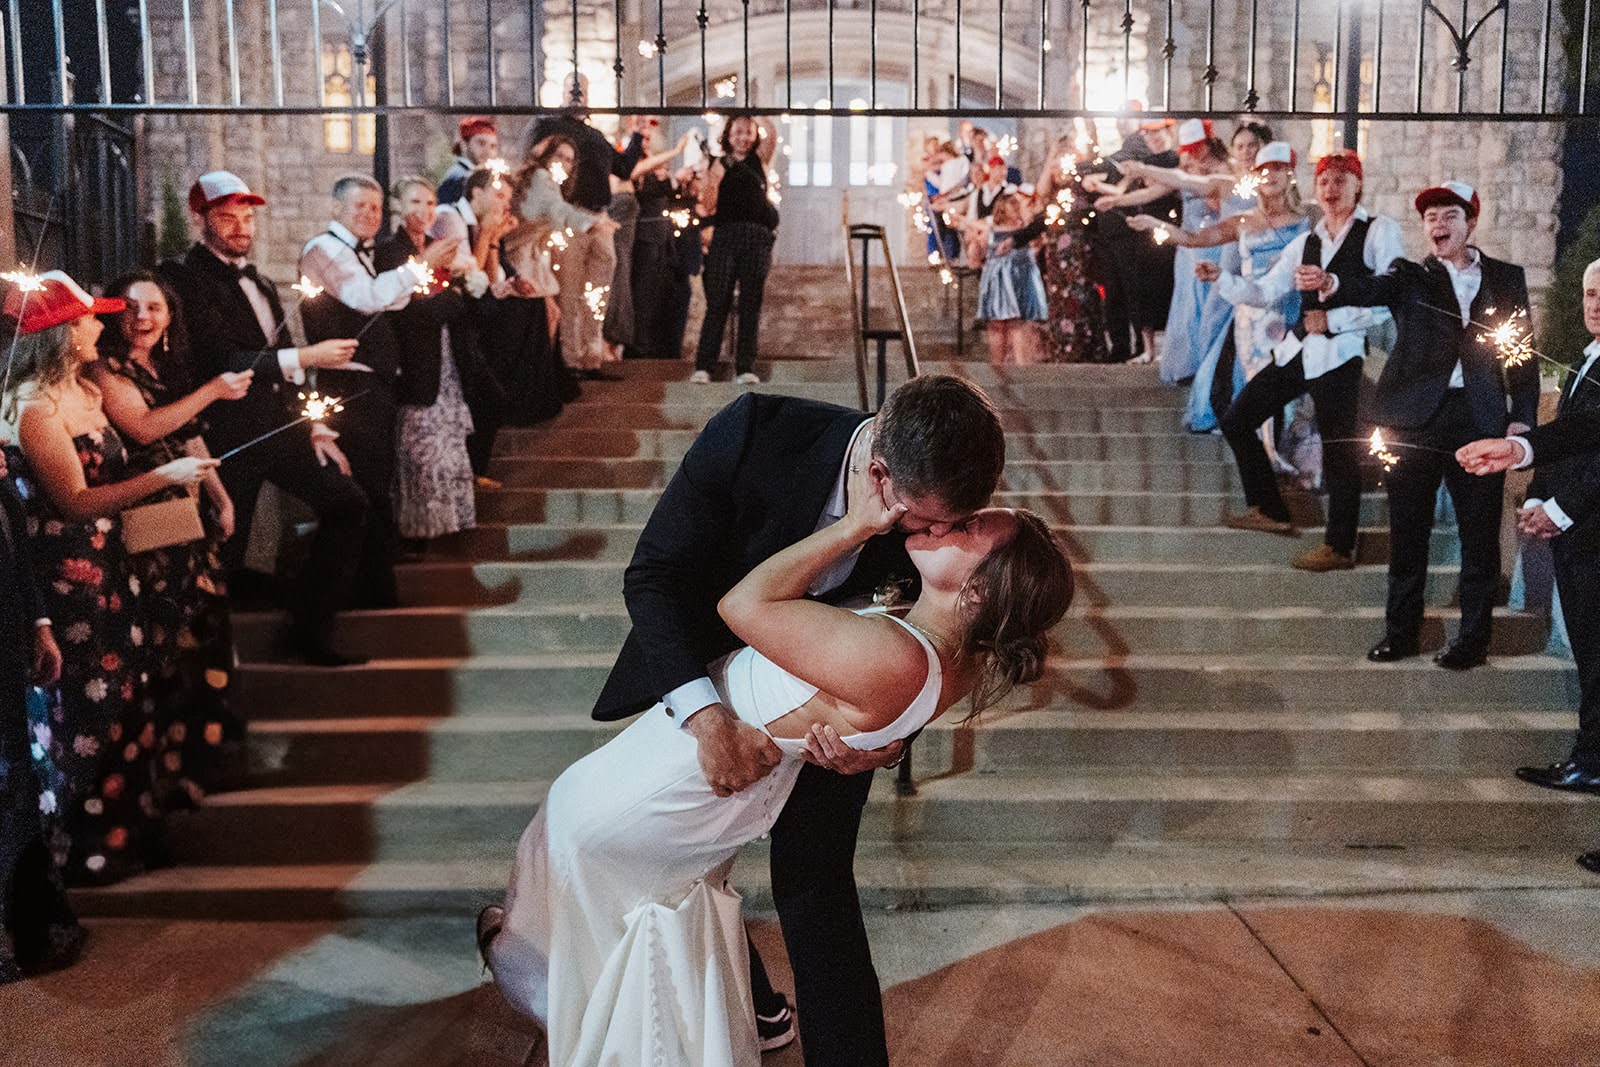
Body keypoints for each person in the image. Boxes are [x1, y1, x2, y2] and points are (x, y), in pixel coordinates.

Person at [480, 379, 1053, 1067]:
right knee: (674, 861)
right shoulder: (756, 433)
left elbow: (944, 642)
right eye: (921, 521)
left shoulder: (940, 505)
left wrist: (881, 741)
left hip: (831, 713)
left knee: (815, 885)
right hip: (709, 677)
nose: (931, 534)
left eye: (955, 521)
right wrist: (703, 714)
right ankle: (753, 1005)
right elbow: (654, 574)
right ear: (881, 475)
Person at [2, 272, 217, 885]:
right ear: (61, 334)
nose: (102, 325)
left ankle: (133, 829)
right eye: (90, 318)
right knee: (89, 709)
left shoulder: (84, 391)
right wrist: (163, 476)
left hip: (113, 564)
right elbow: (73, 500)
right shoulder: (31, 406)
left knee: (129, 696)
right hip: (68, 577)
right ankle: (91, 848)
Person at [1314, 180, 1538, 666]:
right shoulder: (1409, 275)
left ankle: (1472, 642)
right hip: (1413, 420)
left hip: (1478, 417)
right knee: (1408, 532)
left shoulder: (1506, 278)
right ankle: (1402, 634)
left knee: (1479, 536)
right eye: (1431, 217)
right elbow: (1371, 288)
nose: (1438, 224)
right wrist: (1332, 284)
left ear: (1470, 222)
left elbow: (1522, 358)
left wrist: (1521, 418)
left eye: (1449, 215)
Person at [158, 170, 368, 666]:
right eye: (227, 217)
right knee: (223, 547)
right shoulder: (184, 280)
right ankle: (209, 671)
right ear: (201, 219)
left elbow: (284, 355)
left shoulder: (261, 281)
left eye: (247, 217)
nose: (240, 227)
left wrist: (314, 424)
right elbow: (221, 360)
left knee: (348, 504)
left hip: (280, 427)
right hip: (224, 435)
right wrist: (312, 355)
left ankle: (310, 626)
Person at [1196, 151, 1402, 573]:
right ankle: (1270, 508)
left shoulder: (1378, 232)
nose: (1330, 189)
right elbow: (1265, 290)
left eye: (1340, 181)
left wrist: (1336, 316)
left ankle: (1340, 545)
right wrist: (1222, 279)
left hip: (1339, 353)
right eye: (1324, 182)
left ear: (1357, 186)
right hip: (1298, 348)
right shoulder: (1306, 241)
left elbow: (1390, 293)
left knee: (1339, 449)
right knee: (1238, 418)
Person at [1455, 259, 1600, 835]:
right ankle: (1590, 760)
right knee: (1591, 657)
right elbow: (1571, 433)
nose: (1594, 303)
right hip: (1574, 525)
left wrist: (1561, 507)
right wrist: (1537, 494)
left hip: (1591, 526)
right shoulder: (1587, 359)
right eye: (1590, 292)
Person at [91, 271, 249, 794]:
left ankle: (208, 756)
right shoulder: (106, 370)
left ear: (169, 317)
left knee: (206, 633)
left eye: (154, 308)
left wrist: (222, 500)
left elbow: (190, 440)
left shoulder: (165, 368)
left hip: (188, 517)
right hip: (148, 522)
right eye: (131, 308)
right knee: (169, 644)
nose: (142, 318)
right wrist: (211, 391)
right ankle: (172, 770)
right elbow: (144, 429)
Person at [298, 174, 460, 609]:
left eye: (374, 208)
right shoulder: (326, 250)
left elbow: (393, 300)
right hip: (349, 385)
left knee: (375, 484)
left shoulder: (356, 253)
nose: (369, 215)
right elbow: (367, 297)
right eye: (359, 207)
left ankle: (375, 586)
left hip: (372, 386)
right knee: (365, 487)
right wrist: (420, 265)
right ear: (336, 209)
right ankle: (364, 592)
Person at [1128, 140, 1312, 432]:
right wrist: (1155, 225)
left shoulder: (1307, 219)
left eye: (1278, 168)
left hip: (1290, 309)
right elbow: (1194, 239)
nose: (1270, 176)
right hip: (1249, 310)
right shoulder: (1243, 221)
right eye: (1263, 170)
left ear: (1290, 174)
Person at [0, 438, 80, 982]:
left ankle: (34, 929)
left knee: (18, 783)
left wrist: (40, 625)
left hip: (8, 636)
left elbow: (15, 546)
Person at [1096, 119, 1246, 383]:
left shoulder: (1223, 172)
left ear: (1210, 144)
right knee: (1187, 307)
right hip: (1186, 243)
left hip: (1213, 243)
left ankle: (1209, 366)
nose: (1195, 153)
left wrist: (1143, 168)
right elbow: (1155, 191)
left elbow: (1198, 189)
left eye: (1199, 147)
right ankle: (1189, 366)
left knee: (1211, 308)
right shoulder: (1186, 166)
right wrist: (1117, 200)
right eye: (1190, 148)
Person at [377, 178, 484, 542]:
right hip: (415, 355)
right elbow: (409, 311)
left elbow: (459, 298)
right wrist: (453, 298)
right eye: (413, 202)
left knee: (450, 442)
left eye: (427, 203)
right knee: (422, 446)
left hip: (447, 352)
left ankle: (450, 522)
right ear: (399, 207)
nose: (421, 211)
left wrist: (463, 289)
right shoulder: (391, 251)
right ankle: (420, 528)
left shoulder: (442, 248)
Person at [527, 77, 649, 377]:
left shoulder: (594, 135)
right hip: (570, 217)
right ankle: (569, 360)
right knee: (569, 291)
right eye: (573, 89)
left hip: (600, 217)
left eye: (583, 90)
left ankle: (591, 358)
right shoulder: (549, 128)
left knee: (598, 292)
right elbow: (533, 161)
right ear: (562, 93)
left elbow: (623, 168)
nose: (578, 96)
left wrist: (637, 136)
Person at [692, 113, 780, 385]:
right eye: (737, 132)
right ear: (728, 136)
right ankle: (705, 366)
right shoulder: (719, 163)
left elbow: (772, 135)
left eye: (748, 132)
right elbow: (707, 203)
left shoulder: (760, 160)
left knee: (751, 303)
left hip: (757, 236)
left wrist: (756, 112)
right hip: (726, 235)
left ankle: (745, 367)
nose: (743, 137)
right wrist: (713, 177)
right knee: (718, 301)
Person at [975, 191, 1049, 364]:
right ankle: (997, 365)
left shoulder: (1028, 230)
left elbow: (1038, 246)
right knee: (996, 324)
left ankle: (1021, 365)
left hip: (1021, 276)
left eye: (1018, 204)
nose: (1016, 208)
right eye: (1012, 204)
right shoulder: (990, 229)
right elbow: (977, 255)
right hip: (998, 279)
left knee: (1020, 322)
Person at [436, 115, 500, 206]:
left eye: (493, 146)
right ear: (464, 145)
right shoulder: (457, 176)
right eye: (481, 143)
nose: (487, 151)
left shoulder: (487, 176)